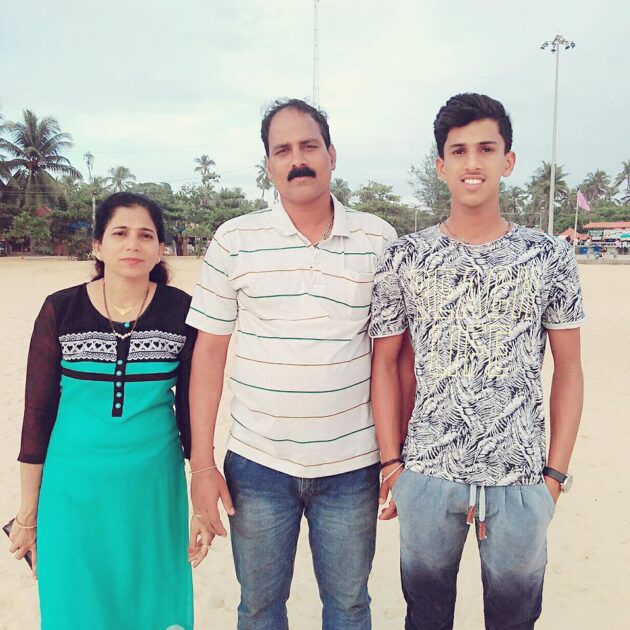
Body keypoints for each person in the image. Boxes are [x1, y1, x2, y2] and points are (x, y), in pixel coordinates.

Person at [369, 93, 585, 629]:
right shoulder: (405, 257)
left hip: (520, 479)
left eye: (486, 148)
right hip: (426, 473)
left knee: (515, 619)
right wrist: (393, 463)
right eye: (458, 151)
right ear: (440, 166)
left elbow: (569, 370)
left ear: (507, 161)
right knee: (426, 616)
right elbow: (387, 365)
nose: (473, 163)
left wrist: (554, 475)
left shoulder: (549, 257)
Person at [186, 98, 397, 629]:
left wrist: (397, 457)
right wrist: (204, 466)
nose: (297, 159)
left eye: (309, 146)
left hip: (352, 465)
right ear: (268, 166)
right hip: (257, 466)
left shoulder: (379, 240)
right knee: (258, 608)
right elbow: (208, 355)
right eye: (283, 150)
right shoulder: (234, 240)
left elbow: (396, 358)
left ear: (331, 154)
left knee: (349, 606)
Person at [8, 192, 198, 629]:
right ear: (97, 246)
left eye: (145, 235)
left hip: (152, 490)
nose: (133, 244)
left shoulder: (182, 311)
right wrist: (27, 514)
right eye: (120, 233)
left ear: (160, 248)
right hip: (72, 488)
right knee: (76, 605)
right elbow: (37, 417)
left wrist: (201, 500)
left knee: (151, 605)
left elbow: (192, 413)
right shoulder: (61, 308)